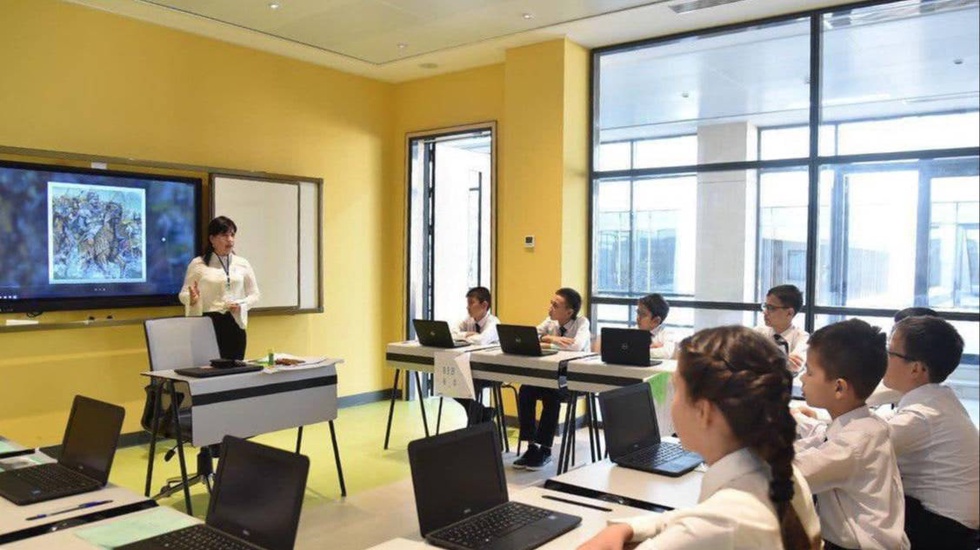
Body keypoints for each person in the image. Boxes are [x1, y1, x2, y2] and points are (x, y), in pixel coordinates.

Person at [577, 326, 821, 550]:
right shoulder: (780, 474)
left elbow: (704, 526)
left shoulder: (720, 524)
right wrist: (629, 527)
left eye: (676, 390)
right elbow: (692, 518)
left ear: (703, 411)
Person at [794, 319, 909, 550]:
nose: (801, 378)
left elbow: (790, 475)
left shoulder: (855, 442)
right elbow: (818, 440)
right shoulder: (865, 425)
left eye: (809, 372)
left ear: (839, 387)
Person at [879, 315, 979, 549]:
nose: (883, 358)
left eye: (890, 352)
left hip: (941, 530)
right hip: (956, 525)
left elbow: (862, 444)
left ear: (916, 368)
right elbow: (882, 425)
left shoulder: (922, 416)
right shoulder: (939, 398)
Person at [513, 288, 590, 471]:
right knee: (526, 390)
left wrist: (547, 340)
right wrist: (550, 338)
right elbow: (529, 336)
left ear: (569, 312)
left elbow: (576, 346)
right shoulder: (550, 321)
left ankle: (545, 449)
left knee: (551, 393)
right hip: (549, 376)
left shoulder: (582, 322)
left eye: (555, 305)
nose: (550, 308)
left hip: (573, 380)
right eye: (551, 303)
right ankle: (531, 446)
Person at [178, 216, 260, 360]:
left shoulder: (242, 263)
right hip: (206, 323)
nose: (230, 240)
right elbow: (183, 294)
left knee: (233, 369)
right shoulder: (198, 264)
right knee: (206, 369)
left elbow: (255, 295)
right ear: (212, 239)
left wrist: (242, 304)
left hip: (234, 323)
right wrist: (191, 298)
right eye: (224, 235)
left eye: (232, 235)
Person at [453, 286, 500, 425]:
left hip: (491, 370)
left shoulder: (493, 322)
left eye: (471, 303)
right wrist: (467, 334)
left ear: (484, 305)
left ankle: (472, 427)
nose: (468, 307)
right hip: (470, 368)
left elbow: (481, 340)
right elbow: (452, 333)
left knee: (470, 383)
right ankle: (483, 412)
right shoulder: (469, 320)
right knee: (449, 381)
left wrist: (466, 336)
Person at [755, 284, 808, 372]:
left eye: (771, 308)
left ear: (789, 313)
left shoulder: (801, 337)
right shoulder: (758, 332)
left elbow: (794, 366)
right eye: (765, 306)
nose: (765, 312)